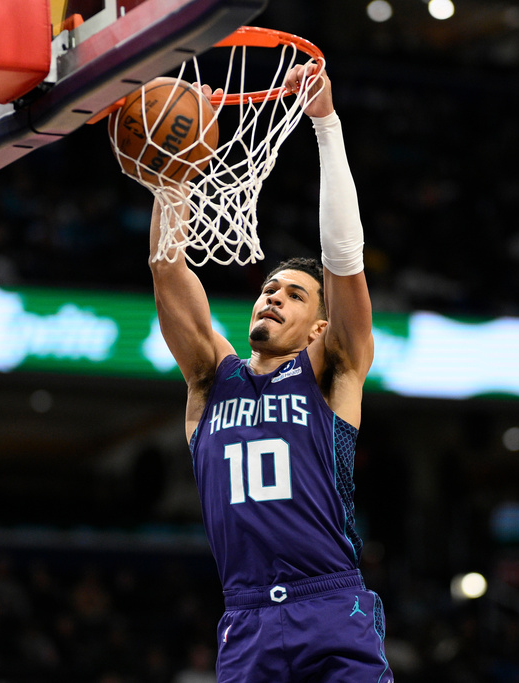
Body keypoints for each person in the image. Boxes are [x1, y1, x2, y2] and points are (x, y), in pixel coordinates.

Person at [144, 62, 393, 682]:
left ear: (318, 326)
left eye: (293, 294)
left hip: (332, 605)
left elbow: (345, 263)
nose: (271, 297)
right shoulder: (210, 379)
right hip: (246, 619)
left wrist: (326, 126)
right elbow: (167, 269)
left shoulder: (334, 370)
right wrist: (172, 173)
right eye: (267, 288)